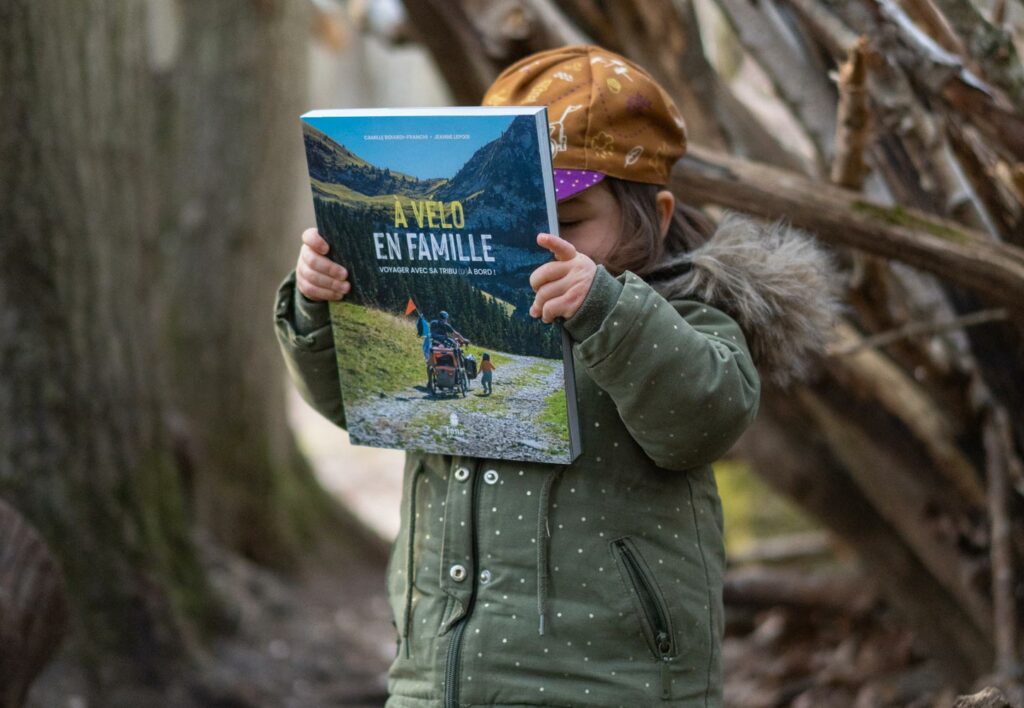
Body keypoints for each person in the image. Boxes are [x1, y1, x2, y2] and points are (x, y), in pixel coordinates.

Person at [274, 44, 840, 708]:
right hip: (441, 676)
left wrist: (605, 310)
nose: (536, 247)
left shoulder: (683, 319)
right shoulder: (453, 300)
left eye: (566, 223)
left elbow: (701, 420)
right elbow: (358, 405)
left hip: (611, 684)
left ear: (651, 219)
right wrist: (323, 304)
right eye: (512, 223)